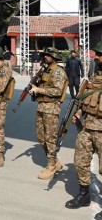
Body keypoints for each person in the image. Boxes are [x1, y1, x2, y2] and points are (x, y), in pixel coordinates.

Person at [65, 42, 102, 220]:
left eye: (100, 54)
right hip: (87, 127)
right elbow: (88, 98)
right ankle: (84, 194)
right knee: (80, 160)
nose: (97, 57)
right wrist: (79, 112)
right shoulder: (96, 76)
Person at [29, 47, 68, 180]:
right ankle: (55, 161)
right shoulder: (46, 70)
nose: (45, 56)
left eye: (48, 55)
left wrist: (39, 90)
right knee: (40, 136)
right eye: (45, 54)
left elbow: (57, 91)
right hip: (42, 106)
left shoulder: (58, 72)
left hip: (51, 108)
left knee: (50, 138)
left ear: (54, 57)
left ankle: (51, 165)